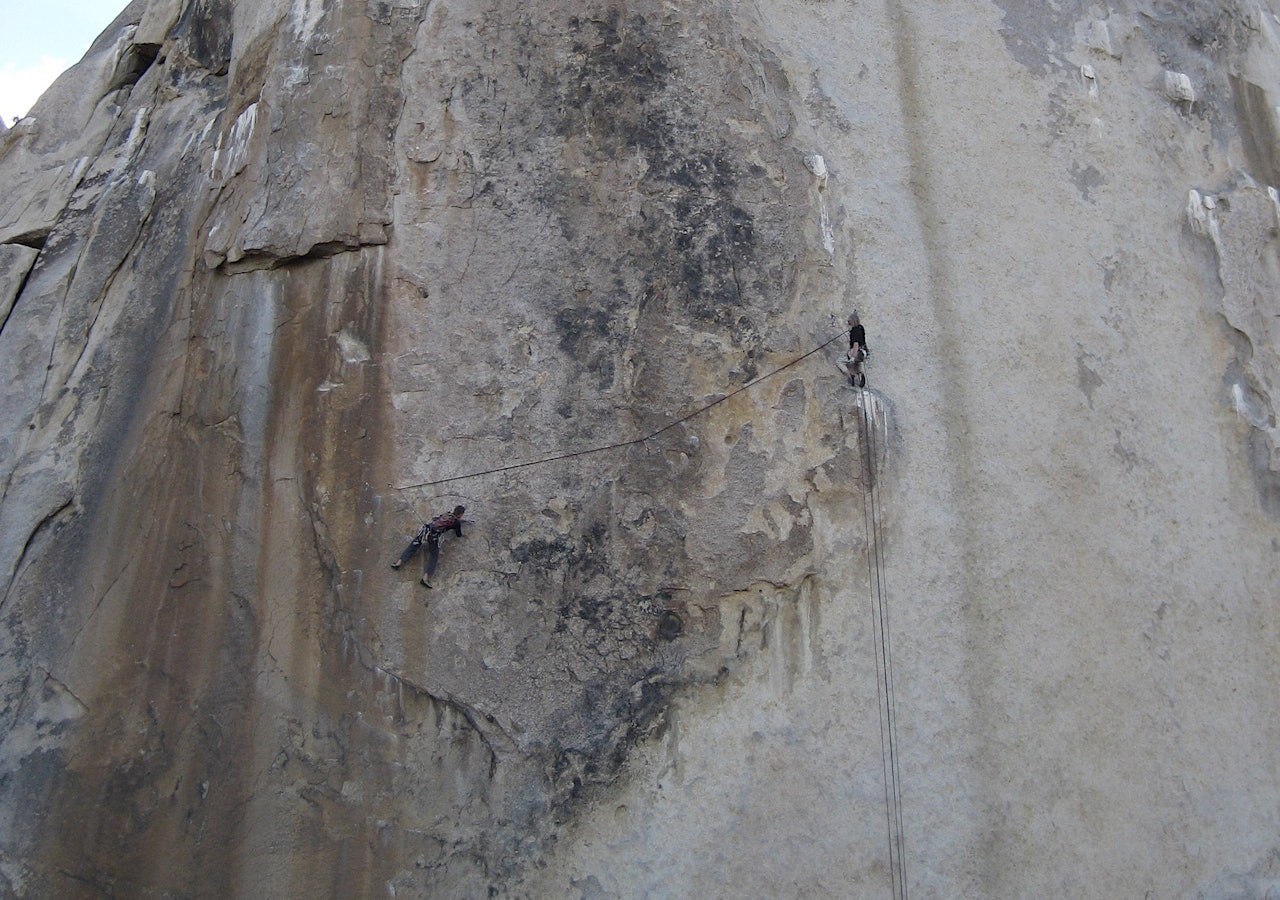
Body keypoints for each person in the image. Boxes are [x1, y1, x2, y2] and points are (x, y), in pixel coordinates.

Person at [392, 505, 465, 588]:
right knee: (433, 556)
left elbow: (435, 519)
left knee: (413, 545)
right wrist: (459, 525)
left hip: (426, 530)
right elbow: (459, 534)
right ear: (460, 514)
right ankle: (425, 579)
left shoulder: (446, 514)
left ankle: (398, 563)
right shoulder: (456, 522)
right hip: (434, 537)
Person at [837, 310, 869, 386]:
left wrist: (852, 357)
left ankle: (849, 375)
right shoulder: (861, 328)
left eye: (849, 321)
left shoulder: (854, 331)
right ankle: (861, 374)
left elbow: (855, 344)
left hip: (856, 351)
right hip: (863, 352)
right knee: (858, 363)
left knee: (839, 362)